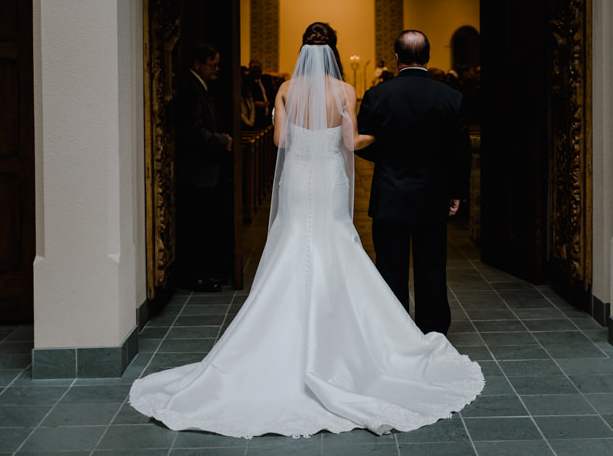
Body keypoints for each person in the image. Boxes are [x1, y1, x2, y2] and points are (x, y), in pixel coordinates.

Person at [129, 22, 483, 438]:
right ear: (334, 51)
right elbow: (351, 144)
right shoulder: (345, 92)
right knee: (337, 244)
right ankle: (363, 338)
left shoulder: (285, 90)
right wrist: (381, 137)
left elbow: (279, 140)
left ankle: (274, 336)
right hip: (330, 179)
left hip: (298, 179)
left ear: (302, 51)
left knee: (294, 244)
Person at [356, 30, 472, 335]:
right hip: (433, 194)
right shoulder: (451, 97)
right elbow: (460, 151)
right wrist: (457, 191)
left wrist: (389, 158)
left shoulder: (377, 95)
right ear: (429, 56)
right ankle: (432, 329)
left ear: (396, 58)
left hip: (390, 193)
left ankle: (394, 329)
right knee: (431, 265)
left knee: (390, 266)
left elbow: (363, 143)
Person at [173, 43, 233, 292]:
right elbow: (193, 132)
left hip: (205, 171)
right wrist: (223, 140)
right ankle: (195, 276)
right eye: (213, 64)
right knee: (196, 227)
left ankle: (205, 273)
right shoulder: (190, 90)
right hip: (197, 171)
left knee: (204, 225)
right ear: (198, 64)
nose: (217, 69)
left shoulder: (200, 87)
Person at [246, 59, 275, 127]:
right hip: (255, 119)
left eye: (258, 68)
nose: (257, 71)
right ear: (250, 69)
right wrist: (255, 104)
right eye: (254, 68)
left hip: (268, 119)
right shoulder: (247, 82)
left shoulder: (265, 80)